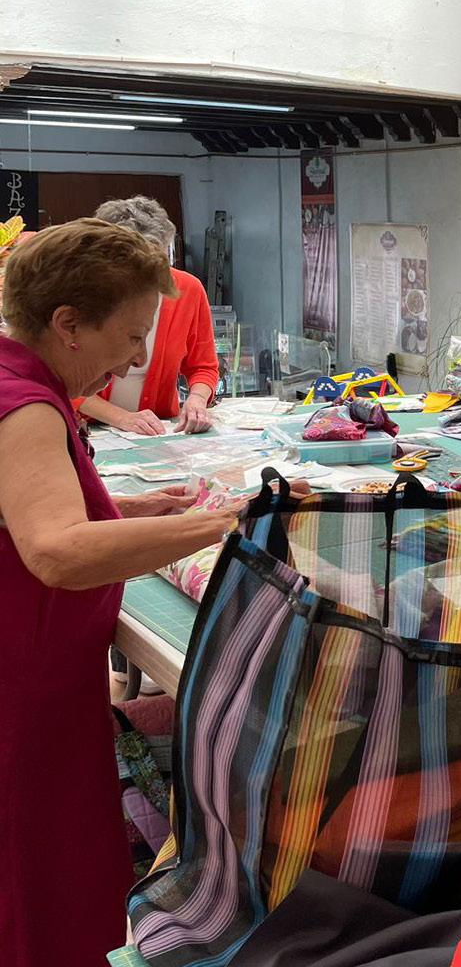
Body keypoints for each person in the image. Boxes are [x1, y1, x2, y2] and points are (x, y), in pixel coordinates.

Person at [0, 220, 241, 967]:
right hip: (25, 698)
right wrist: (220, 524)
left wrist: (136, 510)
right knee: (44, 888)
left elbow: (25, 508)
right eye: (132, 336)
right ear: (68, 324)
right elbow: (55, 550)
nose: (139, 358)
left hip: (43, 681)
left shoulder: (17, 380)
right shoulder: (26, 405)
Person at [77, 196, 219, 435]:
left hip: (159, 430)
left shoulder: (188, 290)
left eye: (158, 261)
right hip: (89, 430)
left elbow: (203, 367)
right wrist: (122, 418)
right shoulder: (83, 292)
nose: (147, 274)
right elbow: (62, 378)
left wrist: (196, 401)